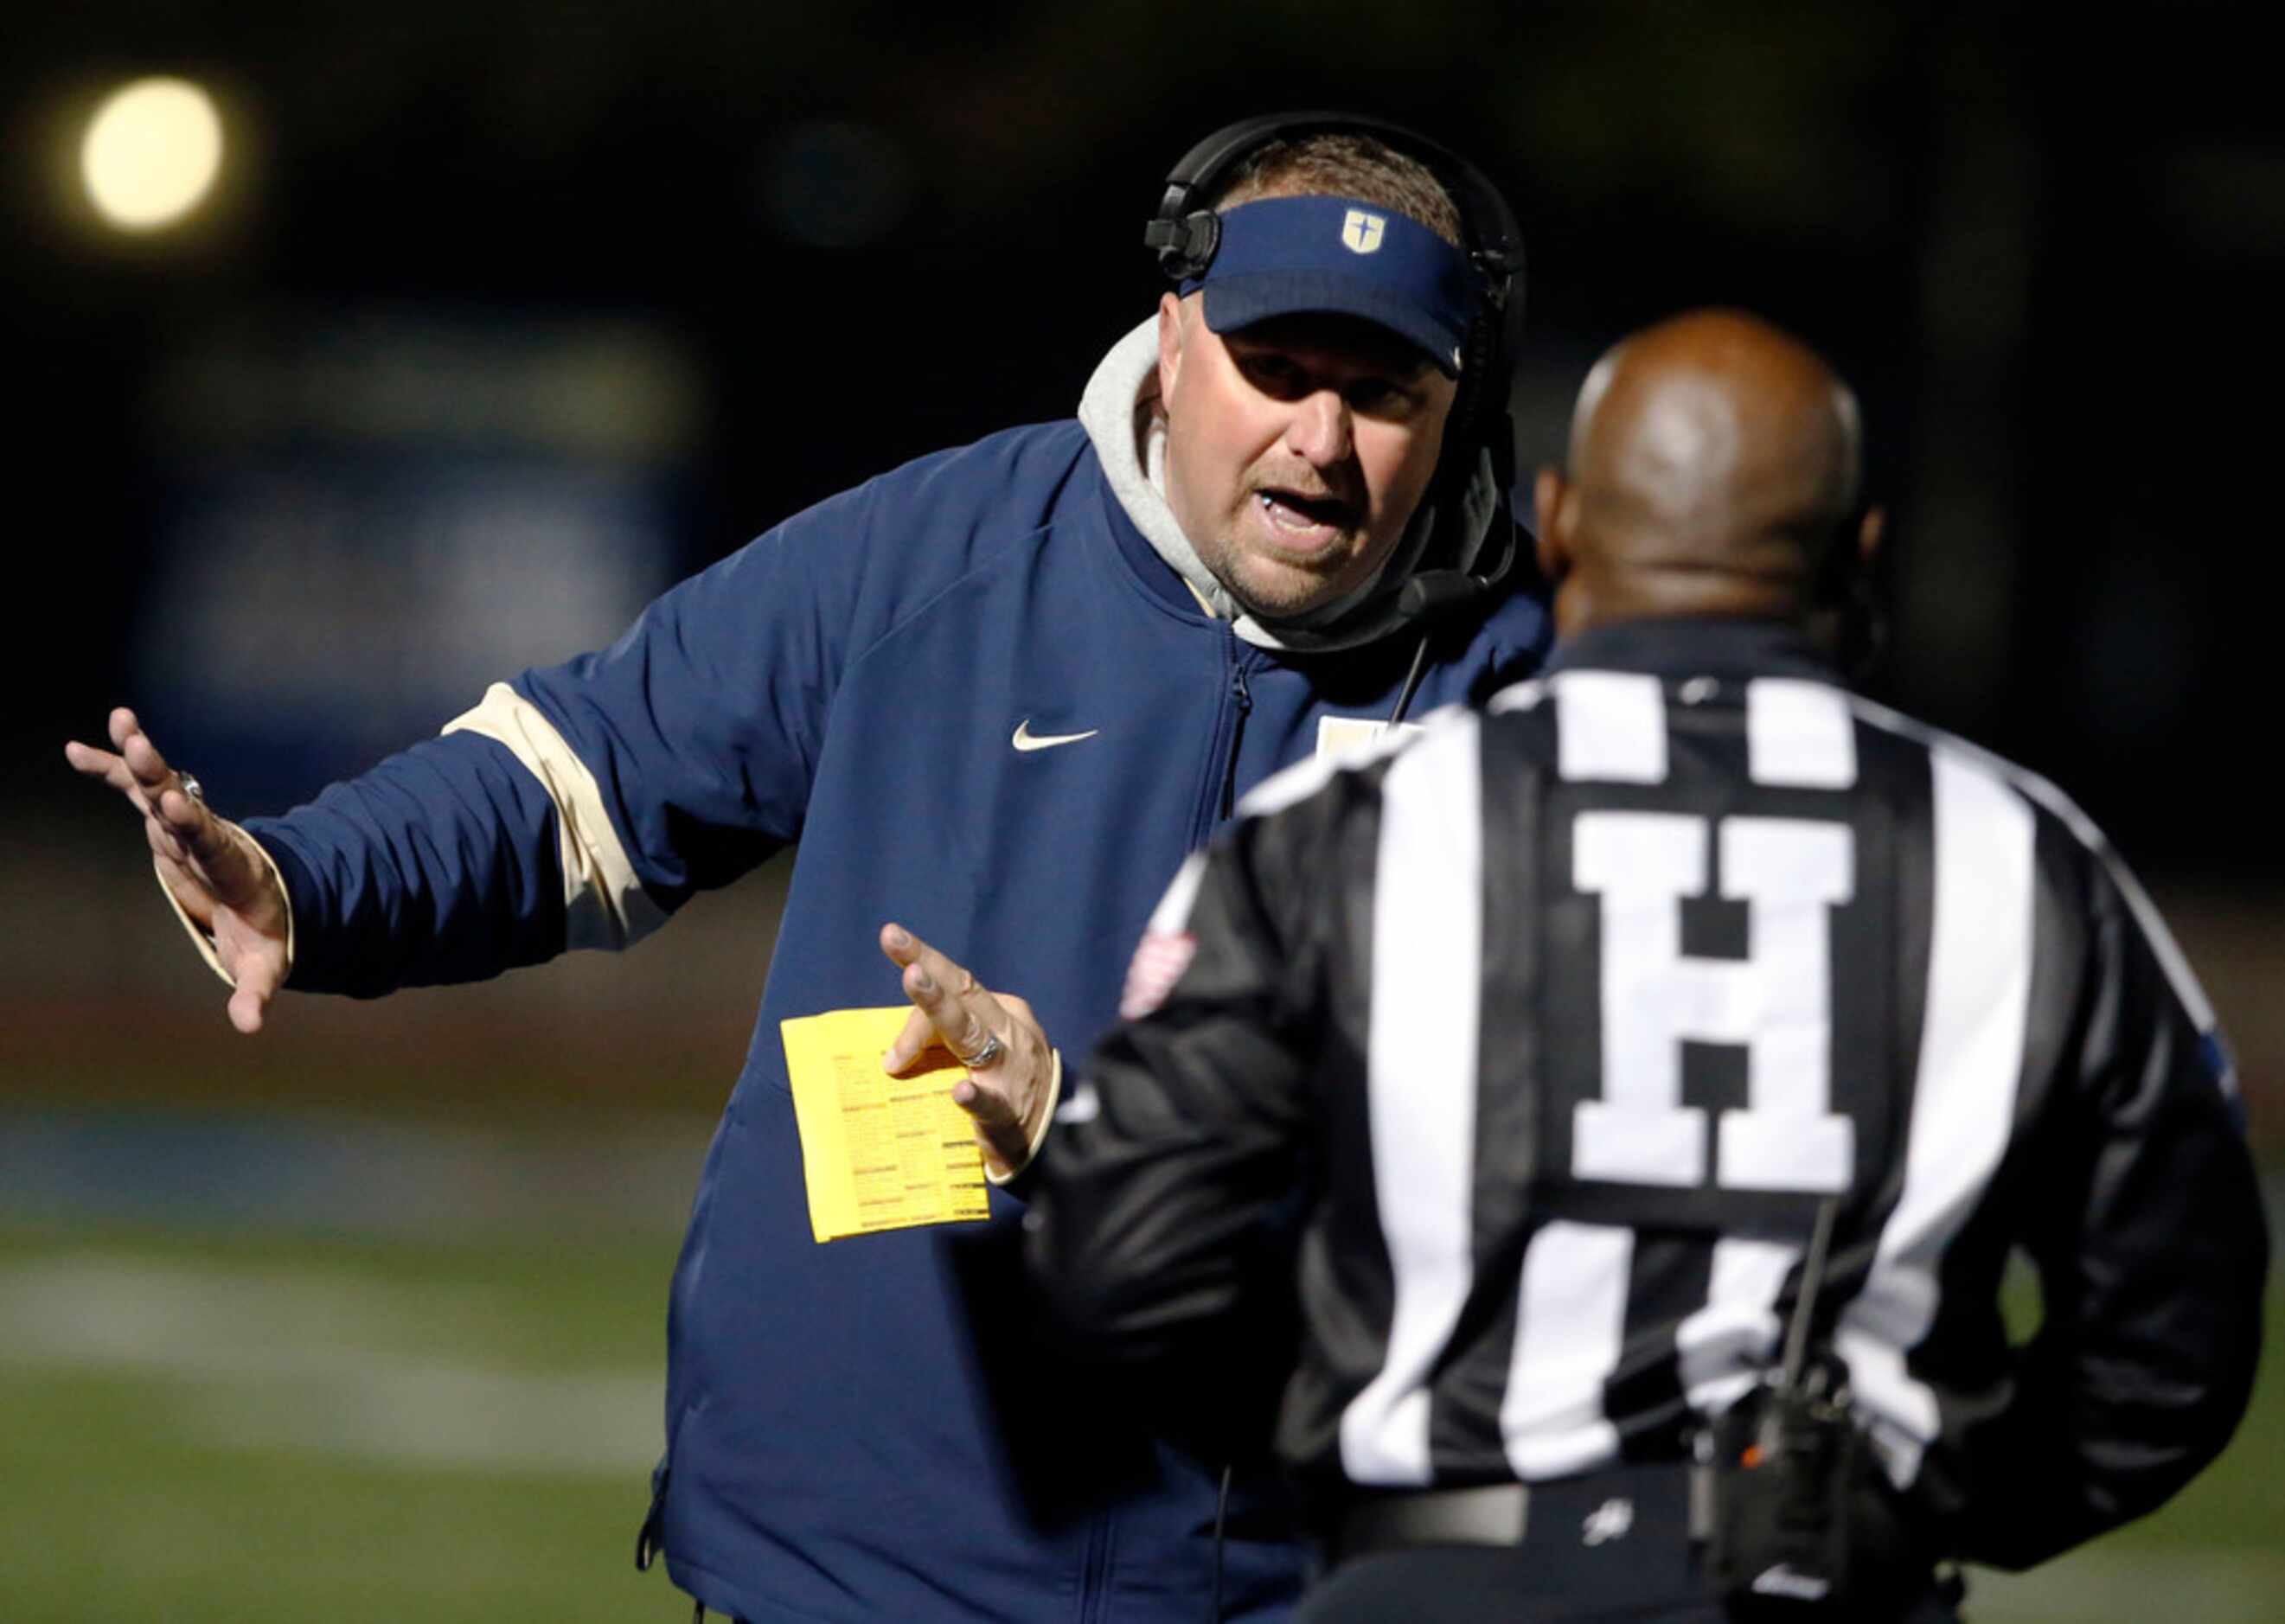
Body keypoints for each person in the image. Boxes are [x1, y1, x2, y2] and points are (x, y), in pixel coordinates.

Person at [64, 114, 1550, 1622]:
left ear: (1458, 404)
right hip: (849, 1570)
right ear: (1173, 337)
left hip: (1275, 1583)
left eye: (1382, 393)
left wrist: (1077, 1119)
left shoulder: (1532, 691)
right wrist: (306, 878)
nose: (1321, 437)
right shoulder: (944, 554)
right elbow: (587, 765)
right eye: (1277, 373)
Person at [1021, 309, 2269, 1621]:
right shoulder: (2018, 854)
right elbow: (2170, 1342)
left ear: (1557, 523)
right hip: (1828, 1582)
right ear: (1860, 550)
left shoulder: (1347, 836)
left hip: (1439, 1573)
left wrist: (1357, 1433)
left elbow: (1117, 1261)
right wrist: (1916, 1501)